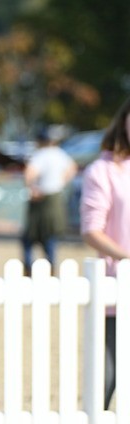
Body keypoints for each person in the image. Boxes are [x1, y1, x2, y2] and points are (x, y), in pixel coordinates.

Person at [80, 95, 130, 408]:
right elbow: (91, 229)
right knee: (107, 377)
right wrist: (126, 258)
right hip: (118, 286)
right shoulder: (103, 171)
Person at [23, 124, 78, 275]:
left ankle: (28, 268)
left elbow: (29, 174)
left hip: (41, 199)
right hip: (56, 198)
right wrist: (60, 183)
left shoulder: (40, 155)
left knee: (29, 238)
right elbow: (72, 168)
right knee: (51, 237)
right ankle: (51, 269)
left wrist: (33, 188)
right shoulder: (60, 154)